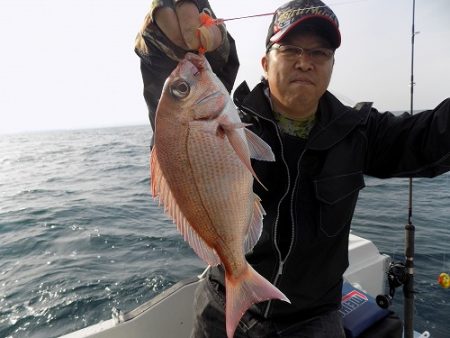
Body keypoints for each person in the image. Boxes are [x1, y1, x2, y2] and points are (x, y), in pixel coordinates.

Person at [135, 0, 450, 337]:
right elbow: (172, 125)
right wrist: (170, 42)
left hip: (313, 318)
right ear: (265, 63)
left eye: (320, 53)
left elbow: (431, 136)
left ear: (331, 65)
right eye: (290, 49)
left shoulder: (359, 132)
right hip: (223, 302)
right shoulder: (233, 122)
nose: (305, 62)